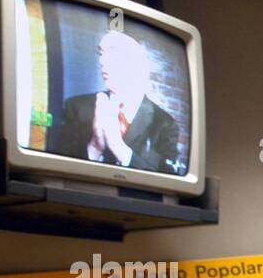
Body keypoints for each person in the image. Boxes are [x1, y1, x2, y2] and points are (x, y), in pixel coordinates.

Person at [53, 29, 180, 173]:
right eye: (101, 53)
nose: (102, 61)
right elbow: (59, 171)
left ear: (137, 60)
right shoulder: (75, 107)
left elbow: (168, 177)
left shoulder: (165, 124)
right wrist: (94, 148)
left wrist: (119, 149)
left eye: (113, 52)